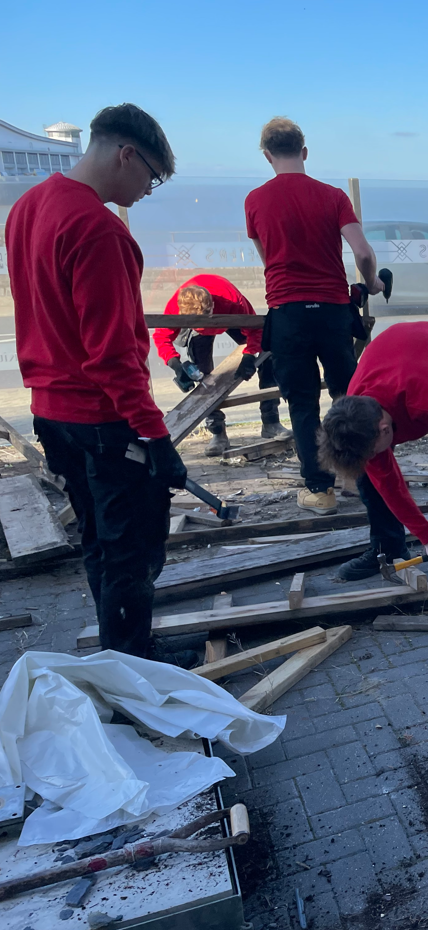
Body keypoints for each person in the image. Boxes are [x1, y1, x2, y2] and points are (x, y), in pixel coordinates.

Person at [5, 103, 190, 661]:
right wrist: (156, 438)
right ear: (125, 153)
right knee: (131, 547)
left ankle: (120, 651)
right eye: (152, 175)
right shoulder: (98, 229)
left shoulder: (27, 208)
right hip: (104, 419)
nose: (150, 190)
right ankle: (135, 666)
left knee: (97, 540)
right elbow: (111, 356)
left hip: (52, 414)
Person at [245, 117, 385, 516]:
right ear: (304, 152)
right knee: (348, 394)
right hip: (332, 311)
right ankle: (359, 478)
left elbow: (267, 259)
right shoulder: (333, 196)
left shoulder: (254, 200)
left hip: (287, 315)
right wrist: (371, 283)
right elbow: (362, 254)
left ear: (267, 155)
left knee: (302, 404)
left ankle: (319, 491)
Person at [318, 322, 428, 584]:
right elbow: (389, 483)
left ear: (385, 429)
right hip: (395, 361)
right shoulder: (355, 417)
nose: (375, 458)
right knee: (364, 470)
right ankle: (387, 546)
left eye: (376, 451)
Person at [153, 273, 290, 455]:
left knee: (267, 355)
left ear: (211, 306)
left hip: (226, 316)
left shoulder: (233, 300)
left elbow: (255, 329)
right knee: (204, 376)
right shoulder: (175, 307)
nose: (204, 328)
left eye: (205, 318)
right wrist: (175, 364)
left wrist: (249, 356)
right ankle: (218, 432)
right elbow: (161, 336)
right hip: (194, 326)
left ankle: (271, 421)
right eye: (198, 323)